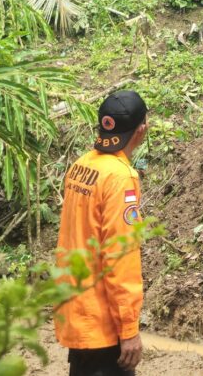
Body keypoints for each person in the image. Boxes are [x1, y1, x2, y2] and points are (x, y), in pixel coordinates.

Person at [55, 90, 149, 376]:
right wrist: (129, 329)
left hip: (76, 312)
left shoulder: (81, 166)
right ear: (141, 130)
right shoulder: (121, 177)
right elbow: (120, 257)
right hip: (103, 324)